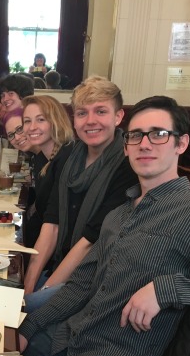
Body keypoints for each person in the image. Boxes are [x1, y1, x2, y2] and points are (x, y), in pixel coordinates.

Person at [18, 95, 190, 356]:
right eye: (136, 135)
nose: (145, 143)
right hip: (75, 337)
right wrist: (28, 327)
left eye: (159, 134)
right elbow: (80, 285)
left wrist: (166, 290)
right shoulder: (118, 215)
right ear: (126, 147)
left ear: (181, 144)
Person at [23, 76, 138, 311]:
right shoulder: (68, 155)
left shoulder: (128, 165)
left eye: (101, 111)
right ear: (73, 119)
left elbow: (89, 241)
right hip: (58, 266)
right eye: (82, 113)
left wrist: (40, 297)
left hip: (92, 281)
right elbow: (51, 223)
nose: (90, 121)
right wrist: (28, 286)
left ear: (118, 116)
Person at [20, 95, 74, 252]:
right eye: (27, 121)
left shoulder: (66, 157)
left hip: (60, 252)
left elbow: (54, 225)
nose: (32, 127)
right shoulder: (43, 158)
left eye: (41, 119)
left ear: (56, 122)